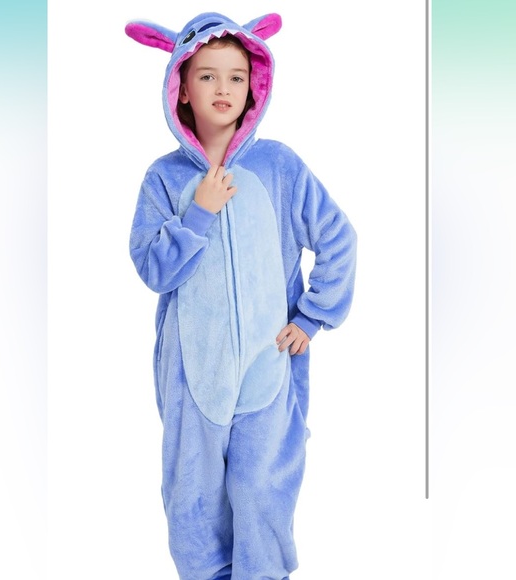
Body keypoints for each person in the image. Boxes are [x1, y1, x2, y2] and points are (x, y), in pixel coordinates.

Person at [125, 12, 357, 580]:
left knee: (261, 489)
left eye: (235, 76)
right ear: (181, 87)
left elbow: (337, 237)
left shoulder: (278, 166)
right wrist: (198, 214)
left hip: (268, 365)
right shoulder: (163, 179)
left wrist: (313, 316)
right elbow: (153, 268)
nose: (222, 88)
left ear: (254, 85)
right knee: (193, 497)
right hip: (193, 373)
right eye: (206, 76)